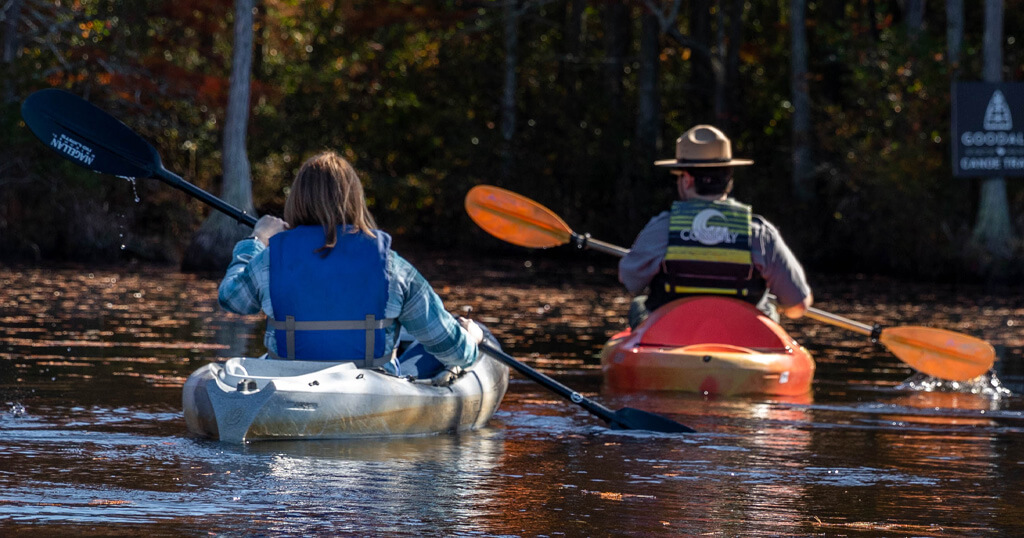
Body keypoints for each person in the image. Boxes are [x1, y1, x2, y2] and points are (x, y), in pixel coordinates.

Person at [217, 151, 483, 386]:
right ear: (355, 200)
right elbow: (454, 350)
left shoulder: (271, 259)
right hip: (370, 392)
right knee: (441, 346)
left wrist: (257, 241)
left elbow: (231, 299)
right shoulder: (392, 267)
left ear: (296, 200)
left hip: (290, 383)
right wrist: (471, 338)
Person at [619, 125, 813, 327]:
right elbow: (798, 306)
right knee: (769, 311)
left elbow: (630, 280)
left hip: (671, 337)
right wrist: (780, 306)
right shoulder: (760, 232)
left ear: (686, 180)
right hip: (743, 340)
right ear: (728, 181)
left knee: (639, 304)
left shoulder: (662, 228)